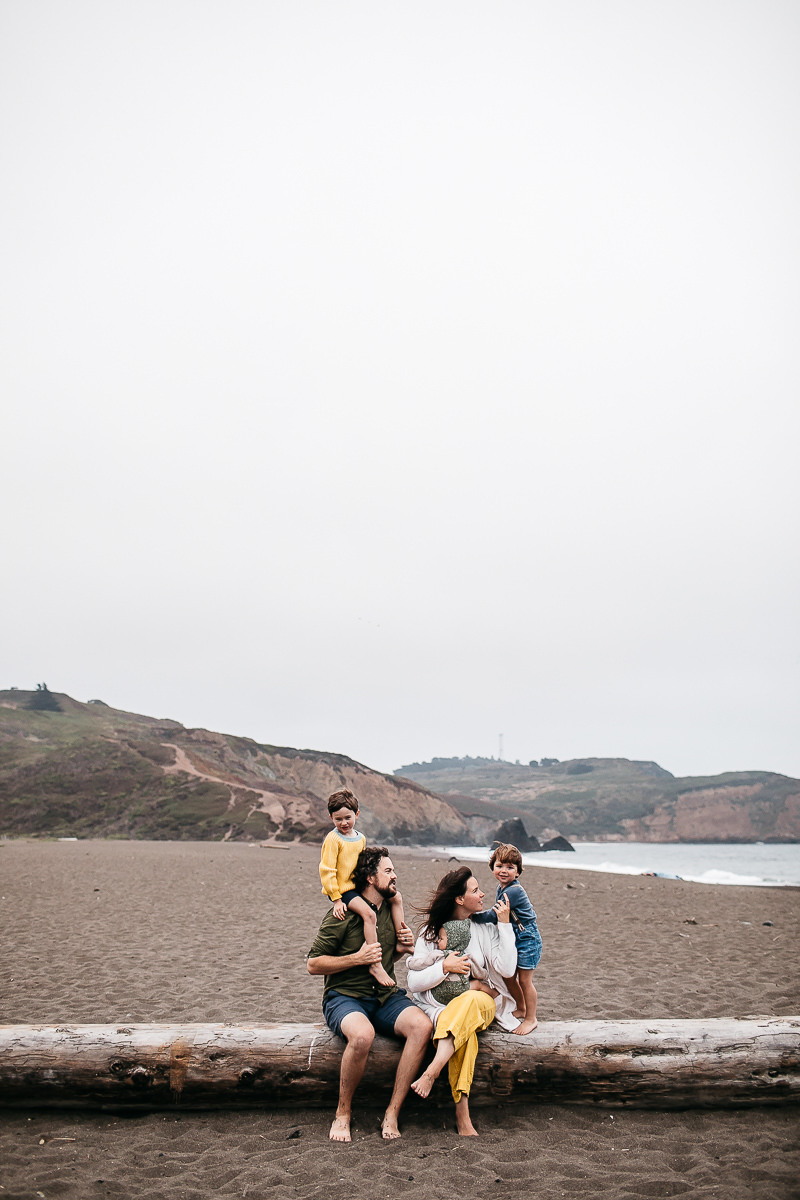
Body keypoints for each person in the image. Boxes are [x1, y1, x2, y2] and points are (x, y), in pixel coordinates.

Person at [307, 846, 432, 1143]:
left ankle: (392, 1111)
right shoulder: (343, 914)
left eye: (393, 870)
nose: (395, 875)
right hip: (344, 997)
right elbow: (313, 964)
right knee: (363, 1036)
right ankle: (343, 1113)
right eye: (388, 871)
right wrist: (356, 959)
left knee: (422, 1026)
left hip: (384, 997)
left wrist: (401, 949)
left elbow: (389, 959)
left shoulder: (389, 910)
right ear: (369, 877)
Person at [405, 866, 517, 1136]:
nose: (483, 894)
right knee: (465, 1033)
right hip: (441, 1010)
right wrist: (445, 967)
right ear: (458, 899)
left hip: (483, 1004)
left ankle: (432, 1071)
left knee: (468, 1001)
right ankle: (462, 1113)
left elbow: (508, 968)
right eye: (475, 890)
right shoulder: (431, 933)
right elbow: (413, 982)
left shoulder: (485, 927)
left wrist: (504, 925)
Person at [318, 789, 408, 989]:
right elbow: (327, 870)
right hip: (343, 890)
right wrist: (336, 899)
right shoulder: (333, 840)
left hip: (358, 885)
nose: (343, 823)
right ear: (331, 817)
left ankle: (402, 940)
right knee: (369, 914)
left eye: (348, 818)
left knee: (396, 897)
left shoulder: (360, 838)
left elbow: (363, 863)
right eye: (338, 819)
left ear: (357, 815)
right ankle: (375, 963)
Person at [472, 842, 542, 1034]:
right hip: (516, 936)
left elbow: (494, 915)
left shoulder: (514, 891)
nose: (504, 871)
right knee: (509, 976)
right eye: (500, 866)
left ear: (518, 872)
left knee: (525, 981)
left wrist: (471, 914)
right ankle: (521, 1006)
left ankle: (531, 1018)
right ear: (492, 867)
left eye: (510, 867)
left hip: (527, 938)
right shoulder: (501, 888)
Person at [405, 919, 497, 1004]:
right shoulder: (466, 958)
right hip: (461, 988)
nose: (438, 941)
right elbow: (478, 972)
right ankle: (493, 994)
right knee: (477, 984)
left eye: (441, 939)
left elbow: (422, 963)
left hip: (440, 992)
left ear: (452, 941)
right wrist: (485, 975)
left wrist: (410, 962)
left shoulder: (438, 954)